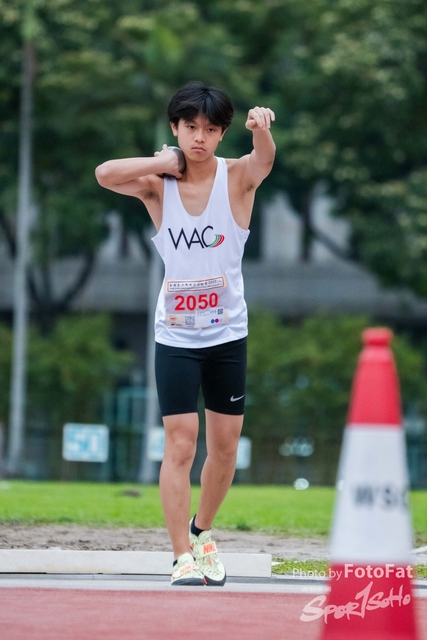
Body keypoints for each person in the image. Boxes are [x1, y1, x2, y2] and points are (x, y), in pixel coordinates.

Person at [95, 81, 275, 586]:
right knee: (180, 444)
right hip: (175, 337)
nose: (200, 137)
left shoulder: (236, 178)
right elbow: (105, 174)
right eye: (190, 127)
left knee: (224, 448)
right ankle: (181, 557)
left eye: (210, 129)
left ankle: (201, 530)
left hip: (227, 335)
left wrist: (261, 130)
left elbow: (264, 160)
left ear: (221, 134)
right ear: (175, 128)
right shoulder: (159, 186)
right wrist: (162, 162)